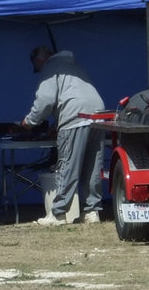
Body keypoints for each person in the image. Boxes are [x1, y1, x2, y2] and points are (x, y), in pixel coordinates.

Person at [18, 46, 106, 226]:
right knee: (92, 167)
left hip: (75, 117)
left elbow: (45, 100)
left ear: (39, 60)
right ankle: (92, 211)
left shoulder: (51, 68)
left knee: (67, 166)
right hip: (98, 114)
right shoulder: (74, 66)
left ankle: (58, 214)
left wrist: (30, 121)